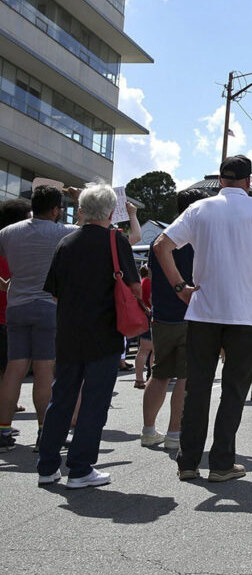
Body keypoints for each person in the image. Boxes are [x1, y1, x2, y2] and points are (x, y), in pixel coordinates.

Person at [153, 155, 252, 482]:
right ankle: (222, 462)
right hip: (244, 312)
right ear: (248, 181)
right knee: (234, 389)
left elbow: (160, 245)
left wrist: (179, 286)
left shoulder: (200, 208)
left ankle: (188, 461)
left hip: (203, 310)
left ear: (221, 180)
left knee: (197, 387)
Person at [36, 182, 141, 488]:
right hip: (105, 331)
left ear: (80, 211)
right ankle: (80, 468)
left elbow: (54, 293)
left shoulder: (66, 242)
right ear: (111, 212)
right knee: (94, 401)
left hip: (68, 331)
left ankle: (47, 465)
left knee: (62, 398)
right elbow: (133, 287)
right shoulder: (115, 241)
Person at [0, 185, 79, 452]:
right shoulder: (63, 232)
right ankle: (45, 432)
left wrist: (4, 283)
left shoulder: (8, 232)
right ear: (56, 210)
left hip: (16, 306)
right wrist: (80, 200)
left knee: (14, 369)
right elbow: (91, 226)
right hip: (48, 306)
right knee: (45, 370)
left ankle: (2, 430)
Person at [140, 189, 207, 450]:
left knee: (159, 374)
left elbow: (152, 277)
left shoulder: (161, 237)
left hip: (162, 315)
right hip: (191, 313)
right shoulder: (197, 238)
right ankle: (174, 434)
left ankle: (148, 430)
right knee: (185, 377)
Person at [0, 199, 31, 424]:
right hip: (8, 315)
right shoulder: (15, 243)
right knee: (10, 370)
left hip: (10, 314)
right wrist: (7, 284)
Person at [133, 265, 153, 389]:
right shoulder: (149, 282)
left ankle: (139, 378)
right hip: (149, 316)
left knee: (143, 349)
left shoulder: (142, 282)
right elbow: (151, 300)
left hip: (143, 317)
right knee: (151, 350)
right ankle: (152, 378)